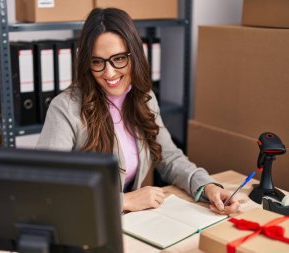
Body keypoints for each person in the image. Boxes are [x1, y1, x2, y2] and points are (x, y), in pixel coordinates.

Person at [36, 7, 240, 214]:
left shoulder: (144, 98)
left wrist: (207, 186)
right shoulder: (65, 108)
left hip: (127, 222)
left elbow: (169, 158)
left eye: (119, 59)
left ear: (134, 54)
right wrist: (123, 201)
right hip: (84, 221)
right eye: (97, 61)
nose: (109, 72)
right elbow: (46, 186)